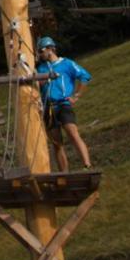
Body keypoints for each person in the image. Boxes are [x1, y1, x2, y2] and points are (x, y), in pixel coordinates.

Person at [37, 36, 93, 171]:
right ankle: (64, 173)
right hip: (49, 107)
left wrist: (76, 95)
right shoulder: (41, 68)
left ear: (50, 49)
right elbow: (36, 86)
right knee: (57, 143)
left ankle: (87, 165)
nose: (40, 54)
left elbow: (85, 77)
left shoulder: (66, 63)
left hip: (63, 104)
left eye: (41, 51)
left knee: (73, 133)